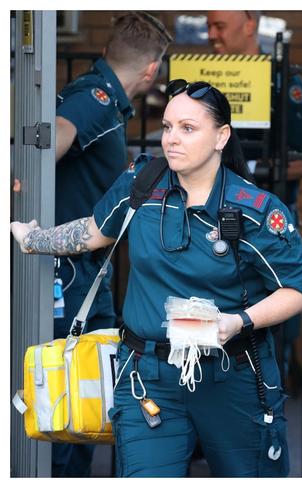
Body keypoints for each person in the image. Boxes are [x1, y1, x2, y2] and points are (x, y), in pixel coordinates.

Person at [11, 79, 302, 477]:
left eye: (188, 129)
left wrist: (238, 321)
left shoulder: (255, 209)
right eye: (168, 126)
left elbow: (301, 290)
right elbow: (94, 232)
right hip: (148, 376)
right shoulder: (142, 185)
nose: (172, 139)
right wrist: (32, 238)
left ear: (221, 136)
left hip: (232, 375)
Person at [51, 12, 172, 477]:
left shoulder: (102, 97)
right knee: (72, 398)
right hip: (69, 272)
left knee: (89, 394)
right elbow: (53, 138)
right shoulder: (96, 100)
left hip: (85, 271)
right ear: (151, 70)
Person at [207, 10, 302, 380]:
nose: (211, 34)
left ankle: (272, 400)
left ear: (250, 25)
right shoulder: (205, 84)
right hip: (211, 221)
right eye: (208, 24)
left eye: (219, 25)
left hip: (269, 219)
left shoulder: (283, 81)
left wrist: (260, 174)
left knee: (276, 320)